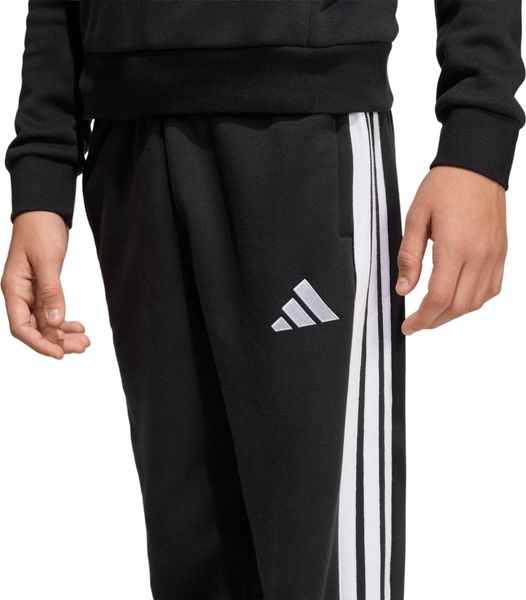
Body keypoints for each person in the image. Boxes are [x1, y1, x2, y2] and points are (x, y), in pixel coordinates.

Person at [1, 1, 524, 599]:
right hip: (129, 146)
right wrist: (42, 170)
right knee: (191, 563)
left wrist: (478, 141)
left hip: (306, 125)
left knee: (321, 569)